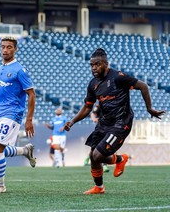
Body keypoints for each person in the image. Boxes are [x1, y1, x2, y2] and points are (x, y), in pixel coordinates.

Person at [64, 48, 165, 194]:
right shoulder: (93, 84)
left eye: (97, 64)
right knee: (93, 156)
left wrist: (149, 108)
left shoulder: (118, 77)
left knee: (98, 155)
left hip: (121, 122)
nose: (93, 68)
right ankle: (101, 186)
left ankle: (119, 160)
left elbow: (143, 86)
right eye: (91, 65)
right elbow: (87, 107)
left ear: (106, 64)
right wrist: (72, 121)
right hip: (105, 122)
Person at [0, 36, 36, 193]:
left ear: (15, 49)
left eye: (9, 47)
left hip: (12, 113)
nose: (5, 50)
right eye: (3, 47)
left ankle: (0, 186)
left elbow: (32, 94)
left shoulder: (19, 70)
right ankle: (25, 151)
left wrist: (29, 120)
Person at [84, 104, 110, 173]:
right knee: (94, 147)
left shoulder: (112, 104)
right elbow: (93, 113)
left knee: (105, 147)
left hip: (109, 128)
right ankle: (88, 157)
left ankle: (104, 165)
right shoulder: (99, 106)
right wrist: (94, 119)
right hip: (100, 128)